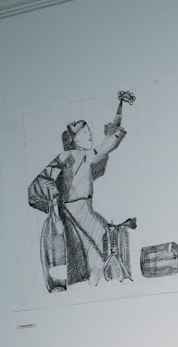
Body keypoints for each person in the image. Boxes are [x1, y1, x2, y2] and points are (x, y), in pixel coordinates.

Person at [28, 115, 128, 290]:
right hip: (75, 212)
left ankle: (97, 280)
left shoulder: (77, 156)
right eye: (85, 132)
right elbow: (103, 149)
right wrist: (114, 131)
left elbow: (102, 151)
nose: (89, 135)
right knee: (100, 242)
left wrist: (112, 131)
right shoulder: (73, 155)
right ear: (76, 140)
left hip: (82, 210)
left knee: (100, 245)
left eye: (89, 131)